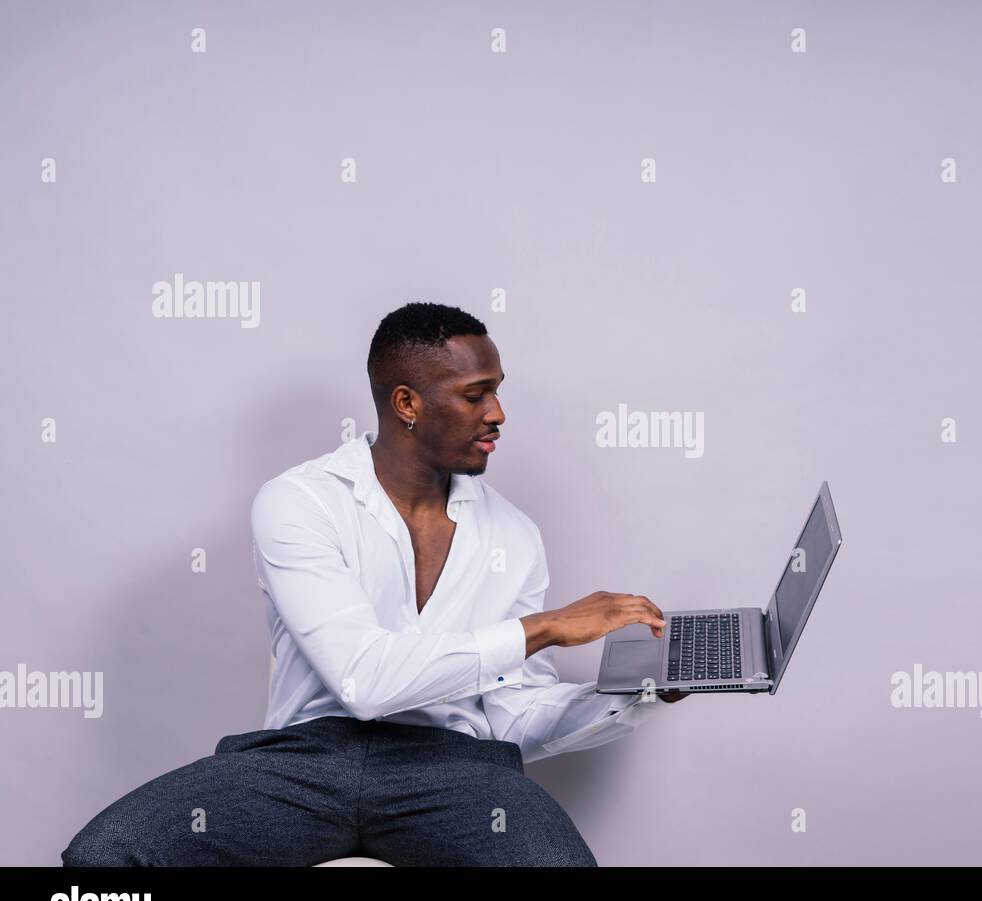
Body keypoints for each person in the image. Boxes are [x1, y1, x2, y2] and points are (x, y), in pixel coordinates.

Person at [61, 302, 687, 867]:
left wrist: (635, 691)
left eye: (497, 392)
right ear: (408, 404)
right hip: (302, 764)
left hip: (452, 769)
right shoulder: (300, 502)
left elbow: (509, 714)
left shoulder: (514, 535)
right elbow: (366, 683)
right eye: (476, 395)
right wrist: (542, 628)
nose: (498, 414)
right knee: (103, 861)